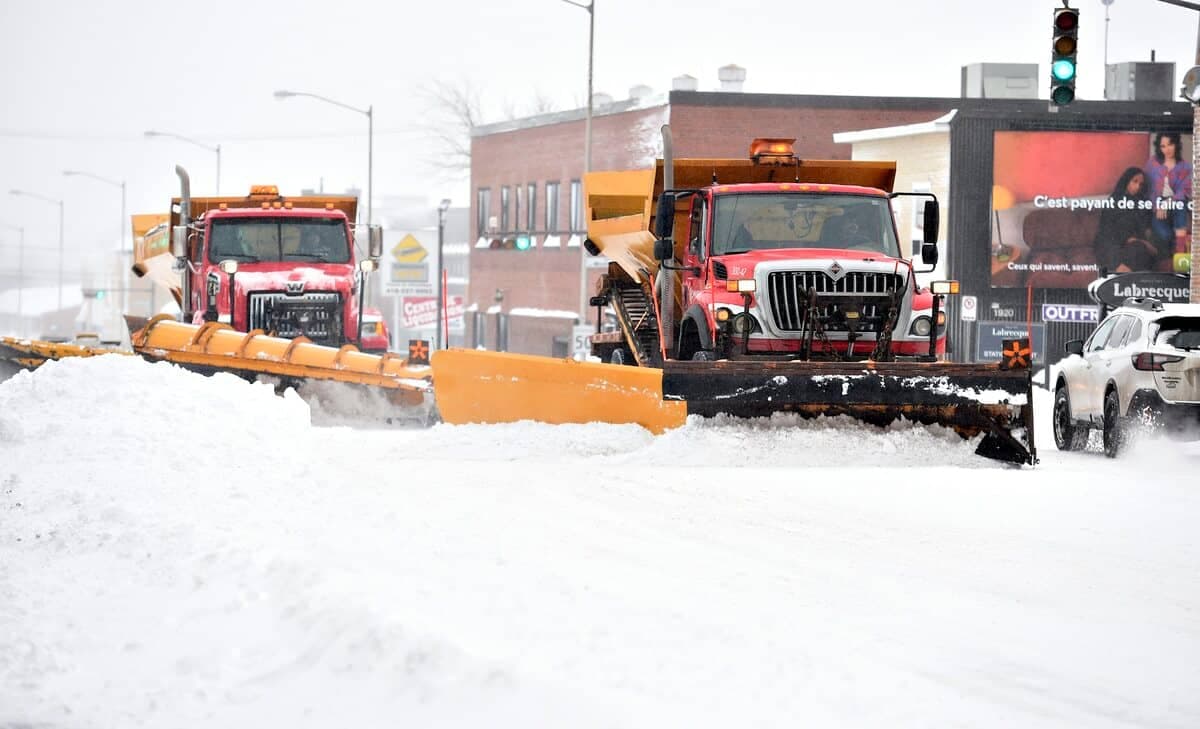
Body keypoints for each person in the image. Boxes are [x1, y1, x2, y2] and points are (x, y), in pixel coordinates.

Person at [1093, 166, 1159, 273]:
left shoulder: (1141, 203)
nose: (1138, 186)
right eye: (1135, 181)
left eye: (1141, 184)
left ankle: (1125, 276)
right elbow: (1107, 229)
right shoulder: (1114, 200)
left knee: (1139, 249)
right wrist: (1132, 239)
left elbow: (1145, 229)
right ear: (1127, 181)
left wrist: (1146, 242)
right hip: (1111, 241)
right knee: (1111, 248)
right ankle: (1123, 273)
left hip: (1132, 246)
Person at [1144, 132, 1192, 258]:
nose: (1167, 149)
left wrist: (1168, 202)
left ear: (1176, 145)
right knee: (1165, 235)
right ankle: (1177, 246)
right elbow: (1147, 188)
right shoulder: (1152, 164)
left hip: (1176, 201)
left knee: (1181, 205)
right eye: (1163, 146)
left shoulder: (1185, 166)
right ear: (1159, 148)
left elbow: (1184, 190)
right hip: (1157, 204)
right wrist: (1157, 206)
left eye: (1170, 144)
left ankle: (1180, 252)